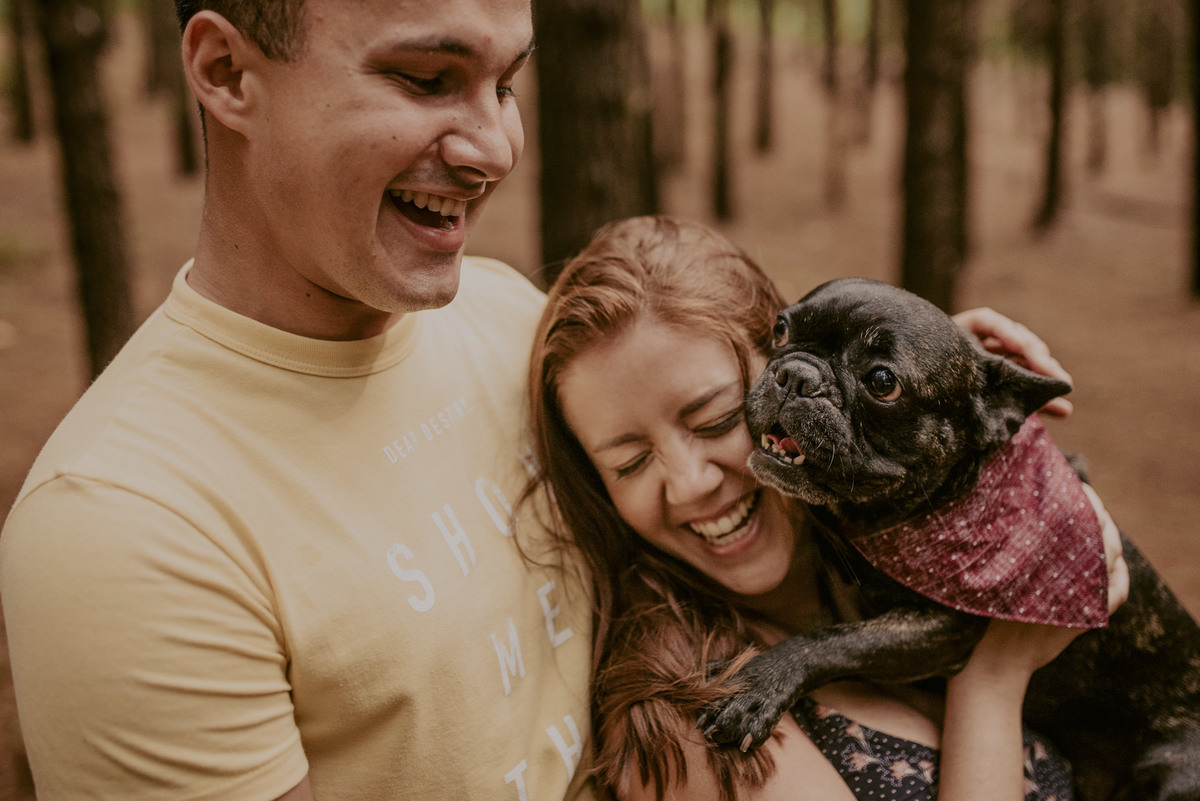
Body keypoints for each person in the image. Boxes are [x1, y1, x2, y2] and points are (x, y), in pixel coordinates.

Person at [0, 0, 596, 799]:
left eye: (506, 85)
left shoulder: (510, 317)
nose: (494, 148)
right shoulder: (124, 520)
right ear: (226, 72)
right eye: (425, 79)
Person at [520, 215, 1129, 801]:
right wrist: (995, 675)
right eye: (629, 463)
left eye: (719, 420)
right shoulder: (683, 723)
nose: (688, 485)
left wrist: (923, 369)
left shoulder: (911, 545)